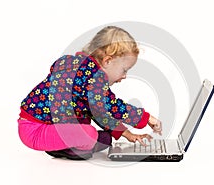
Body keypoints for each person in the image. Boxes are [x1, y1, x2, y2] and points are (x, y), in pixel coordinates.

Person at [18, 26, 162, 160]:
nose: (124, 76)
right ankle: (71, 148)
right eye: (124, 70)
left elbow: (99, 112)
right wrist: (146, 118)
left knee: (93, 135)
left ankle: (88, 142)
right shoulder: (90, 78)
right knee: (89, 135)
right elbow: (111, 106)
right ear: (107, 61)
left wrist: (127, 134)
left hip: (41, 127)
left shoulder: (81, 70)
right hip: (36, 130)